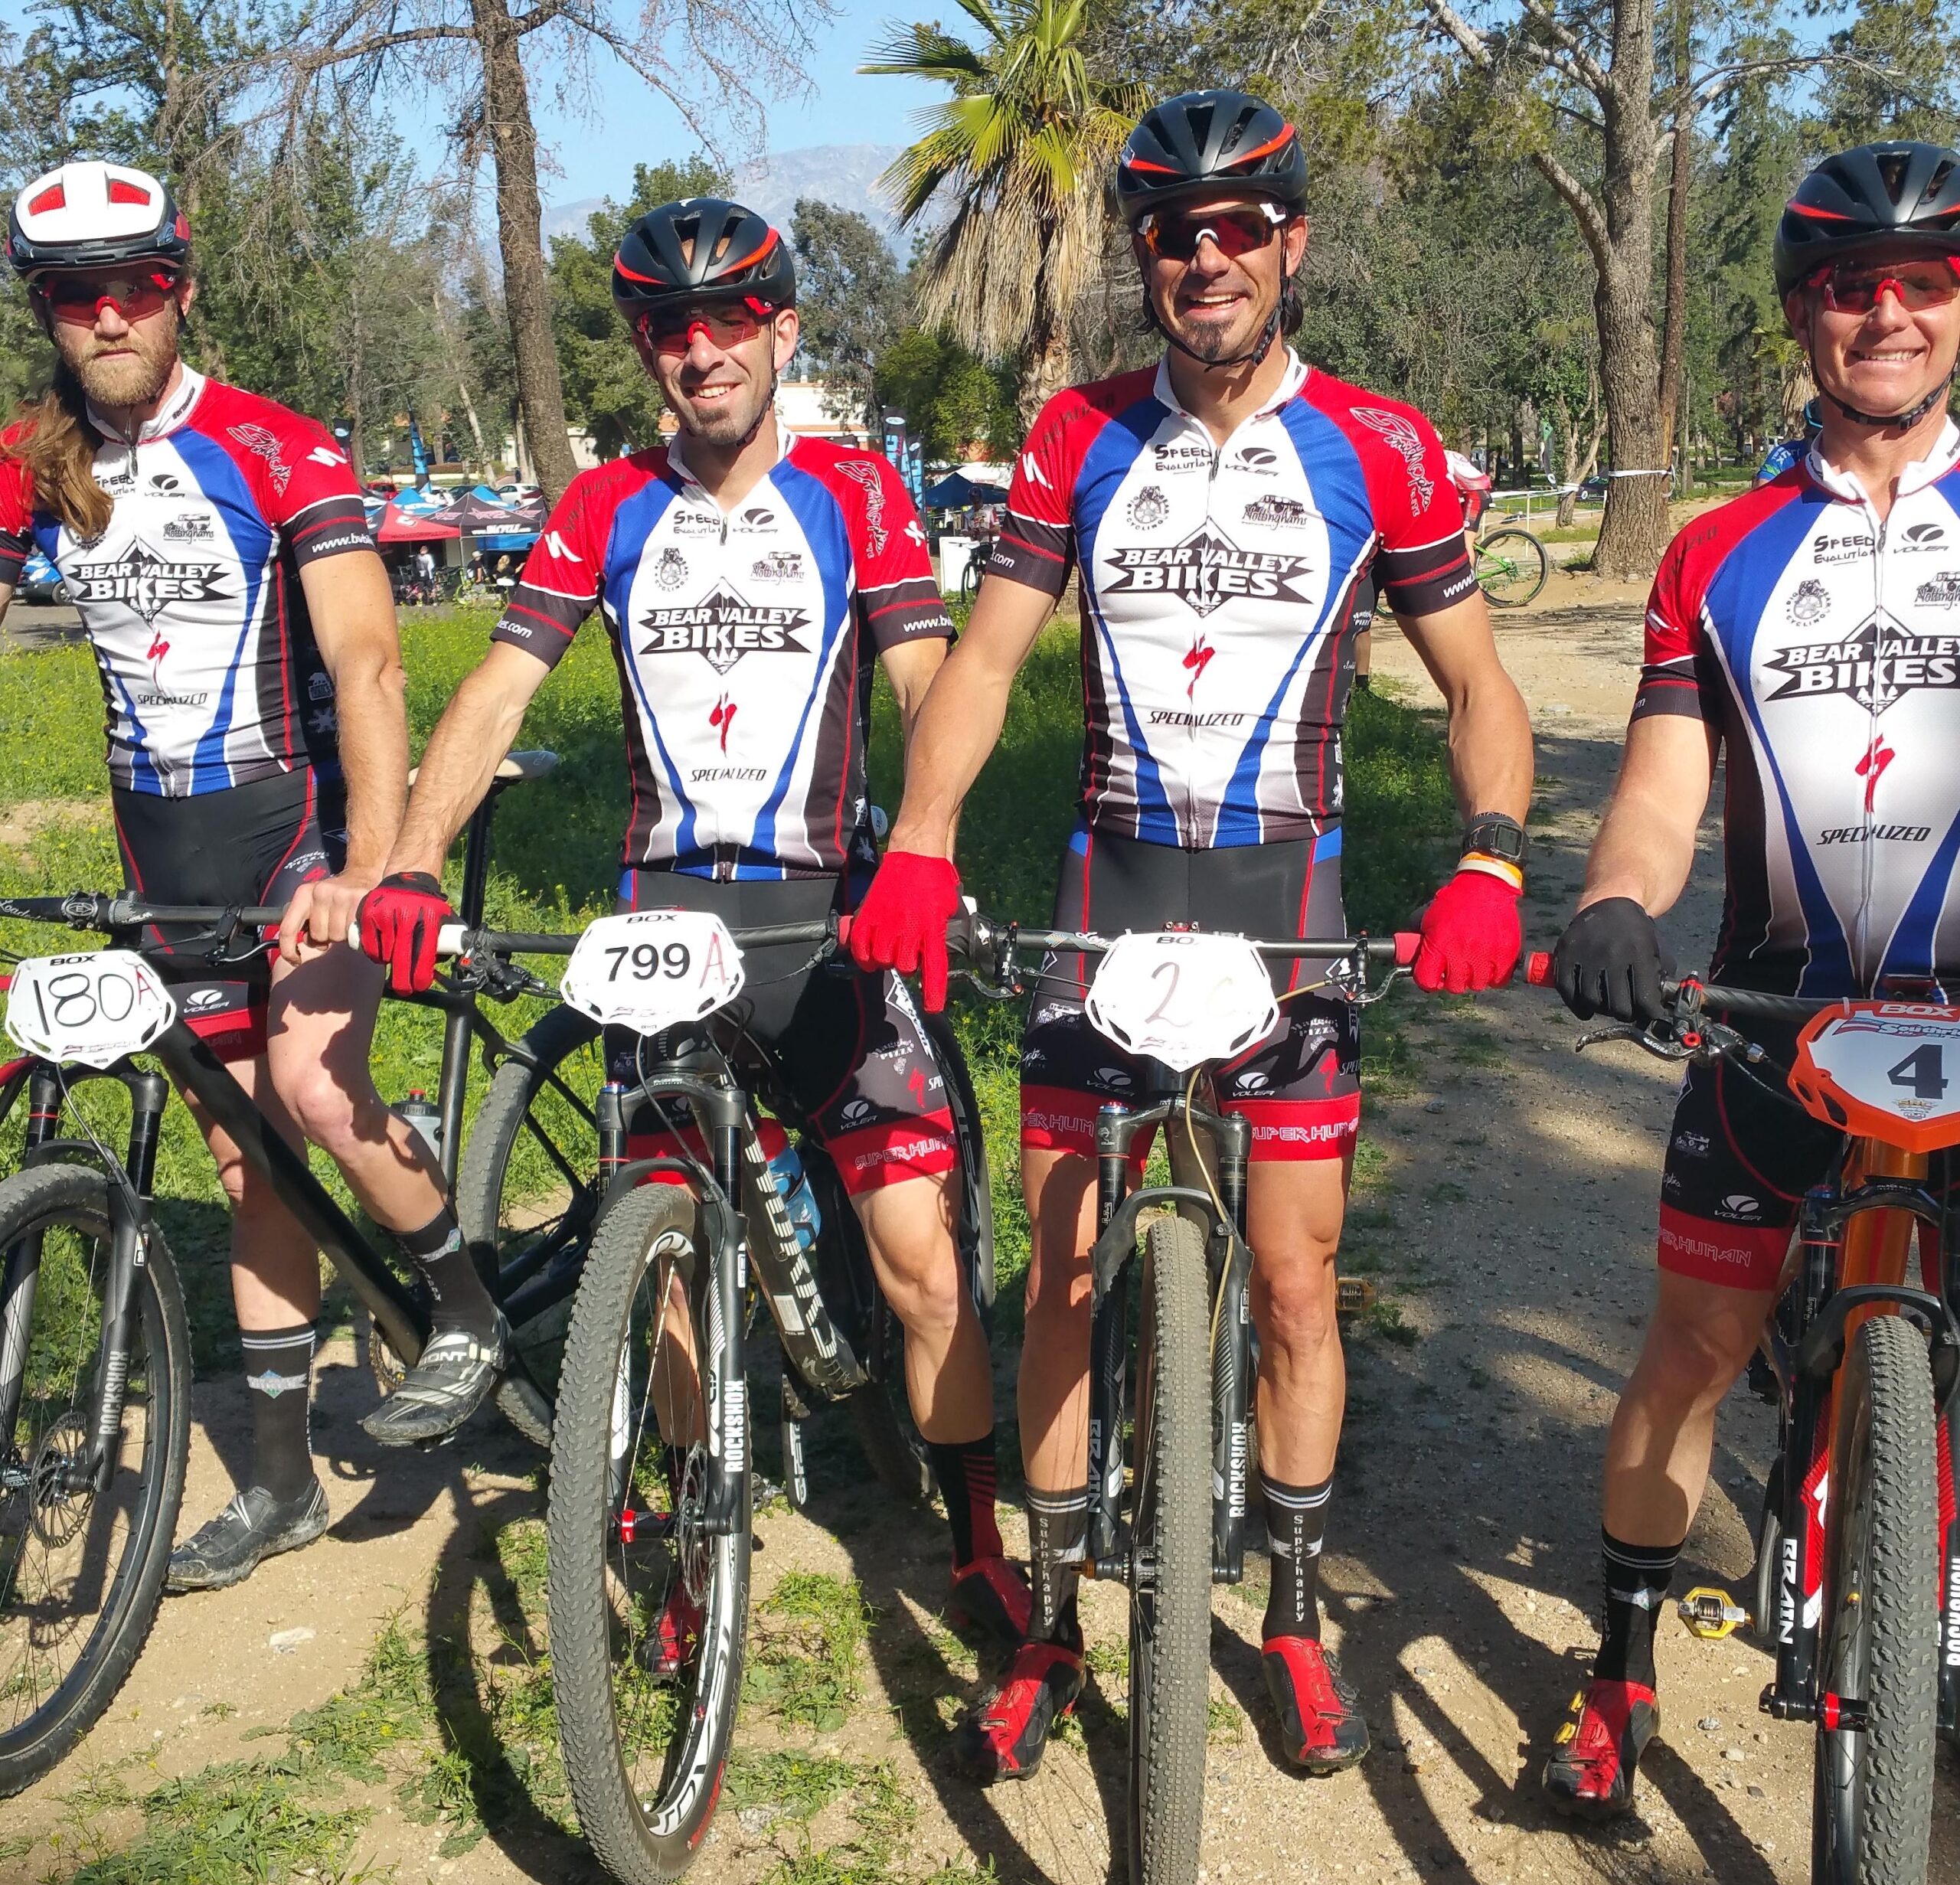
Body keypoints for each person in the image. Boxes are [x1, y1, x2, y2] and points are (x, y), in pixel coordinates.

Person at [848, 90, 1534, 1783]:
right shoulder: (1075, 436)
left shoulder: (1378, 442)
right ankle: (1056, 1624)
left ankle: (1291, 1614)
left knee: (1296, 1283)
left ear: (1291, 245)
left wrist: (1494, 859)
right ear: (1142, 257)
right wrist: (921, 843)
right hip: (1109, 894)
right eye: (1173, 232)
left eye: (1238, 227)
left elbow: (1477, 684)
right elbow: (991, 661)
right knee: (1062, 1278)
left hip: (1284, 899)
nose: (1205, 257)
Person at [356, 198, 1030, 1644]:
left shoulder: (856, 493)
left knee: (917, 1254)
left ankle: (974, 1533)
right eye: (673, 327)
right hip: (662, 923)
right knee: (656, 1255)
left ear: (783, 331)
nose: (703, 349)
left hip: (829, 922)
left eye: (732, 320)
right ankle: (683, 1524)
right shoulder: (603, 508)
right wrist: (411, 860)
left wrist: (927, 852)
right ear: (647, 352)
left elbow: (930, 684)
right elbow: (494, 697)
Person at [0, 162, 508, 1590]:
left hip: (295, 834)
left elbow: (366, 658)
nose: (107, 316)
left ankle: (464, 1308)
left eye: (134, 286)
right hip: (159, 846)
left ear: (181, 289)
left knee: (313, 1090)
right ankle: (281, 1486)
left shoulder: (277, 448)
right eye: (73, 295)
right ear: (46, 311)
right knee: (244, 1163)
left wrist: (368, 864)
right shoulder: (31, 466)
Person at [1544, 139, 1960, 1818]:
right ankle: (1618, 1660)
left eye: (1919, 280)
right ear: (1799, 313)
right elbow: (1659, 777)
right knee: (1694, 1343)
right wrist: (1616, 902)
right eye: (1849, 284)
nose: (1885, 311)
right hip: (1773, 1016)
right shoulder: (1713, 549)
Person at [1755, 397, 1823, 486]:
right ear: (1806, 432)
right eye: (1815, 437)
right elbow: (1763, 490)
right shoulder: (1785, 454)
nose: (1821, 445)